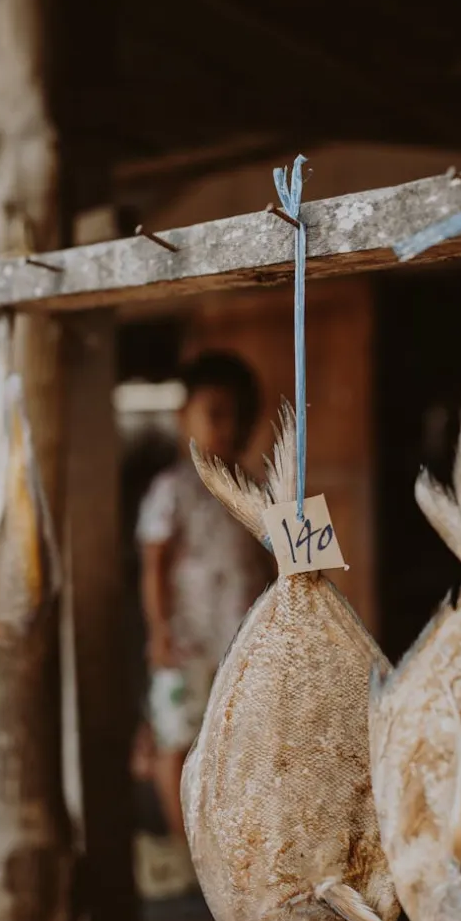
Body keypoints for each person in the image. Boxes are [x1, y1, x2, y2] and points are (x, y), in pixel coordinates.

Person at [134, 352, 271, 841]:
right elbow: (154, 566)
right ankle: (187, 851)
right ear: (182, 418)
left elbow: (281, 563)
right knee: (178, 737)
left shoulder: (257, 489)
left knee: (242, 742)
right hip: (187, 640)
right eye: (215, 413)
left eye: (238, 416)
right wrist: (160, 632)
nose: (229, 428)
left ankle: (236, 853)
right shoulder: (171, 489)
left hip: (244, 641)